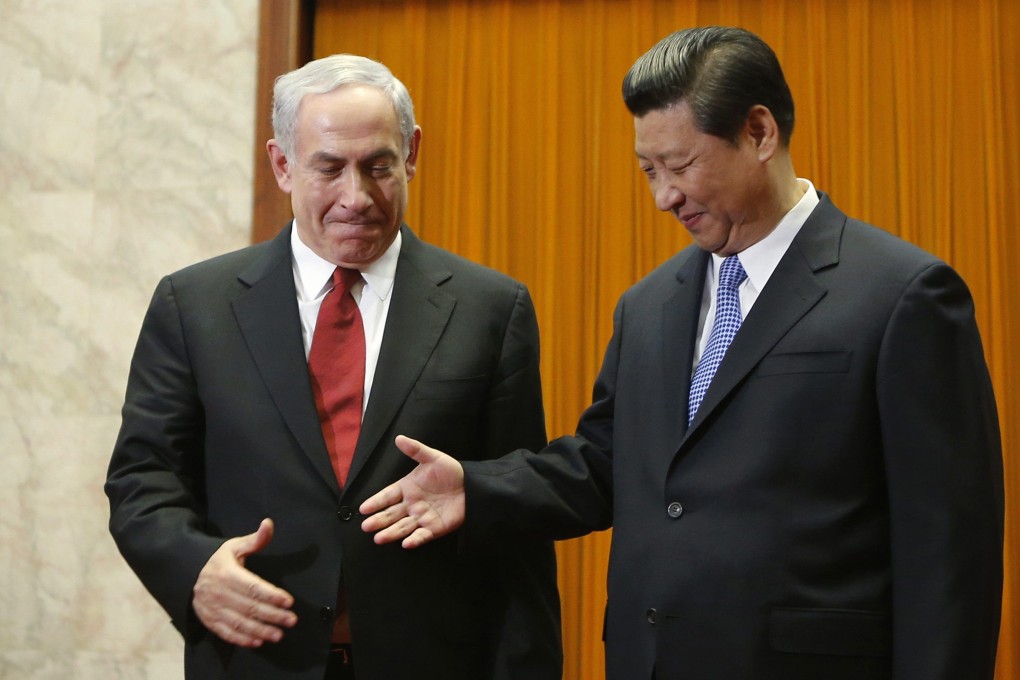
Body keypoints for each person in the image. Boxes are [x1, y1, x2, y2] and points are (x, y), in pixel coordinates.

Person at [360, 26, 1005, 680]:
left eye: (680, 166)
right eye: (648, 170)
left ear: (759, 133)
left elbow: (950, 552)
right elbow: (607, 462)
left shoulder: (902, 295)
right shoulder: (648, 306)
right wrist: (481, 488)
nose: (663, 196)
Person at [105, 54, 562, 680]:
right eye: (330, 168)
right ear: (282, 164)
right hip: (257, 661)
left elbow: (518, 523)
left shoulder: (490, 309)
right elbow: (142, 479)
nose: (358, 197)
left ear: (413, 153)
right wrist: (193, 568)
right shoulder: (195, 306)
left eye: (379, 166)